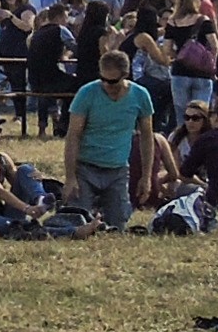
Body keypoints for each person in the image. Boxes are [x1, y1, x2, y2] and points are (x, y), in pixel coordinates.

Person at [64, 49, 153, 231]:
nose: (107, 85)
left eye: (113, 81)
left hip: (117, 170)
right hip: (86, 167)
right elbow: (73, 136)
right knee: (77, 222)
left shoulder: (140, 95)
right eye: (103, 79)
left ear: (126, 75)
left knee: (118, 226)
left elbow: (146, 137)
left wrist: (146, 177)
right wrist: (70, 177)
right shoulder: (87, 93)